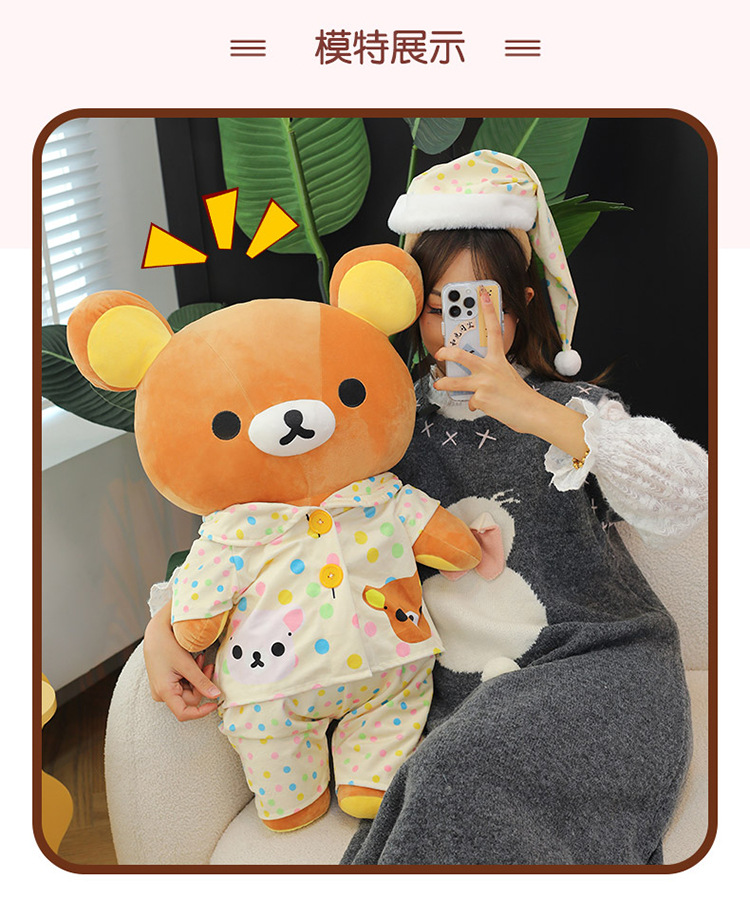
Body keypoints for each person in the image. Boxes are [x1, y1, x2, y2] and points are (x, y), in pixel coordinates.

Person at [143, 150, 708, 865]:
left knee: (456, 777)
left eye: (478, 304)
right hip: (457, 692)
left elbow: (687, 495)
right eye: (439, 307)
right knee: (445, 777)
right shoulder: (381, 421)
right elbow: (269, 529)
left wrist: (535, 411)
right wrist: (165, 623)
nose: (454, 328)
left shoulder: (575, 410)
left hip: (601, 662)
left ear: (519, 304)